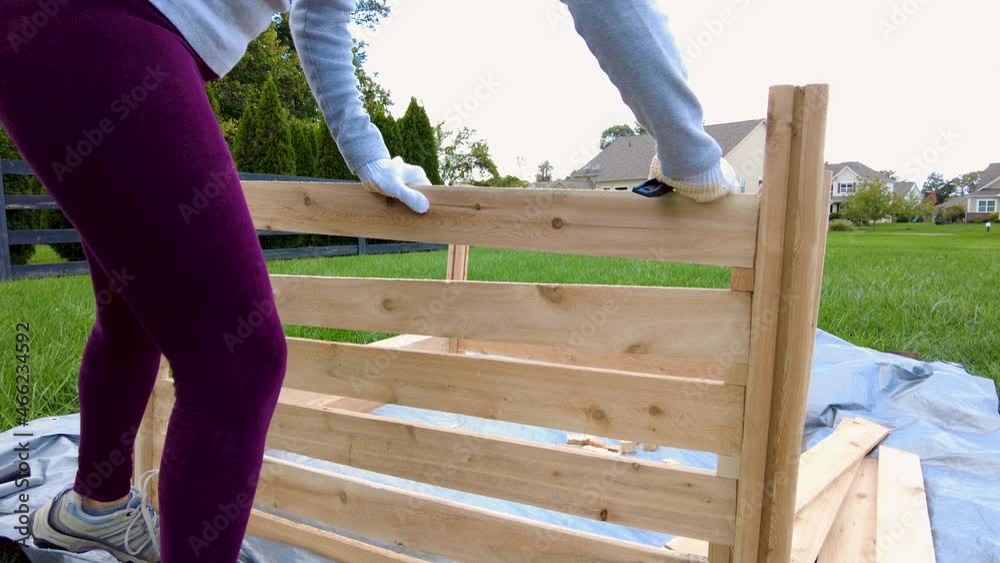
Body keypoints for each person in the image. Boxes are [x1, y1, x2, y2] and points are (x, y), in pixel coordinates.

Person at [0, 1, 735, 561]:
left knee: (136, 312)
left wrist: (369, 154)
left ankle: (93, 510)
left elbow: (318, 17)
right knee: (238, 364)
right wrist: (692, 156)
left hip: (102, 39)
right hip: (97, 28)